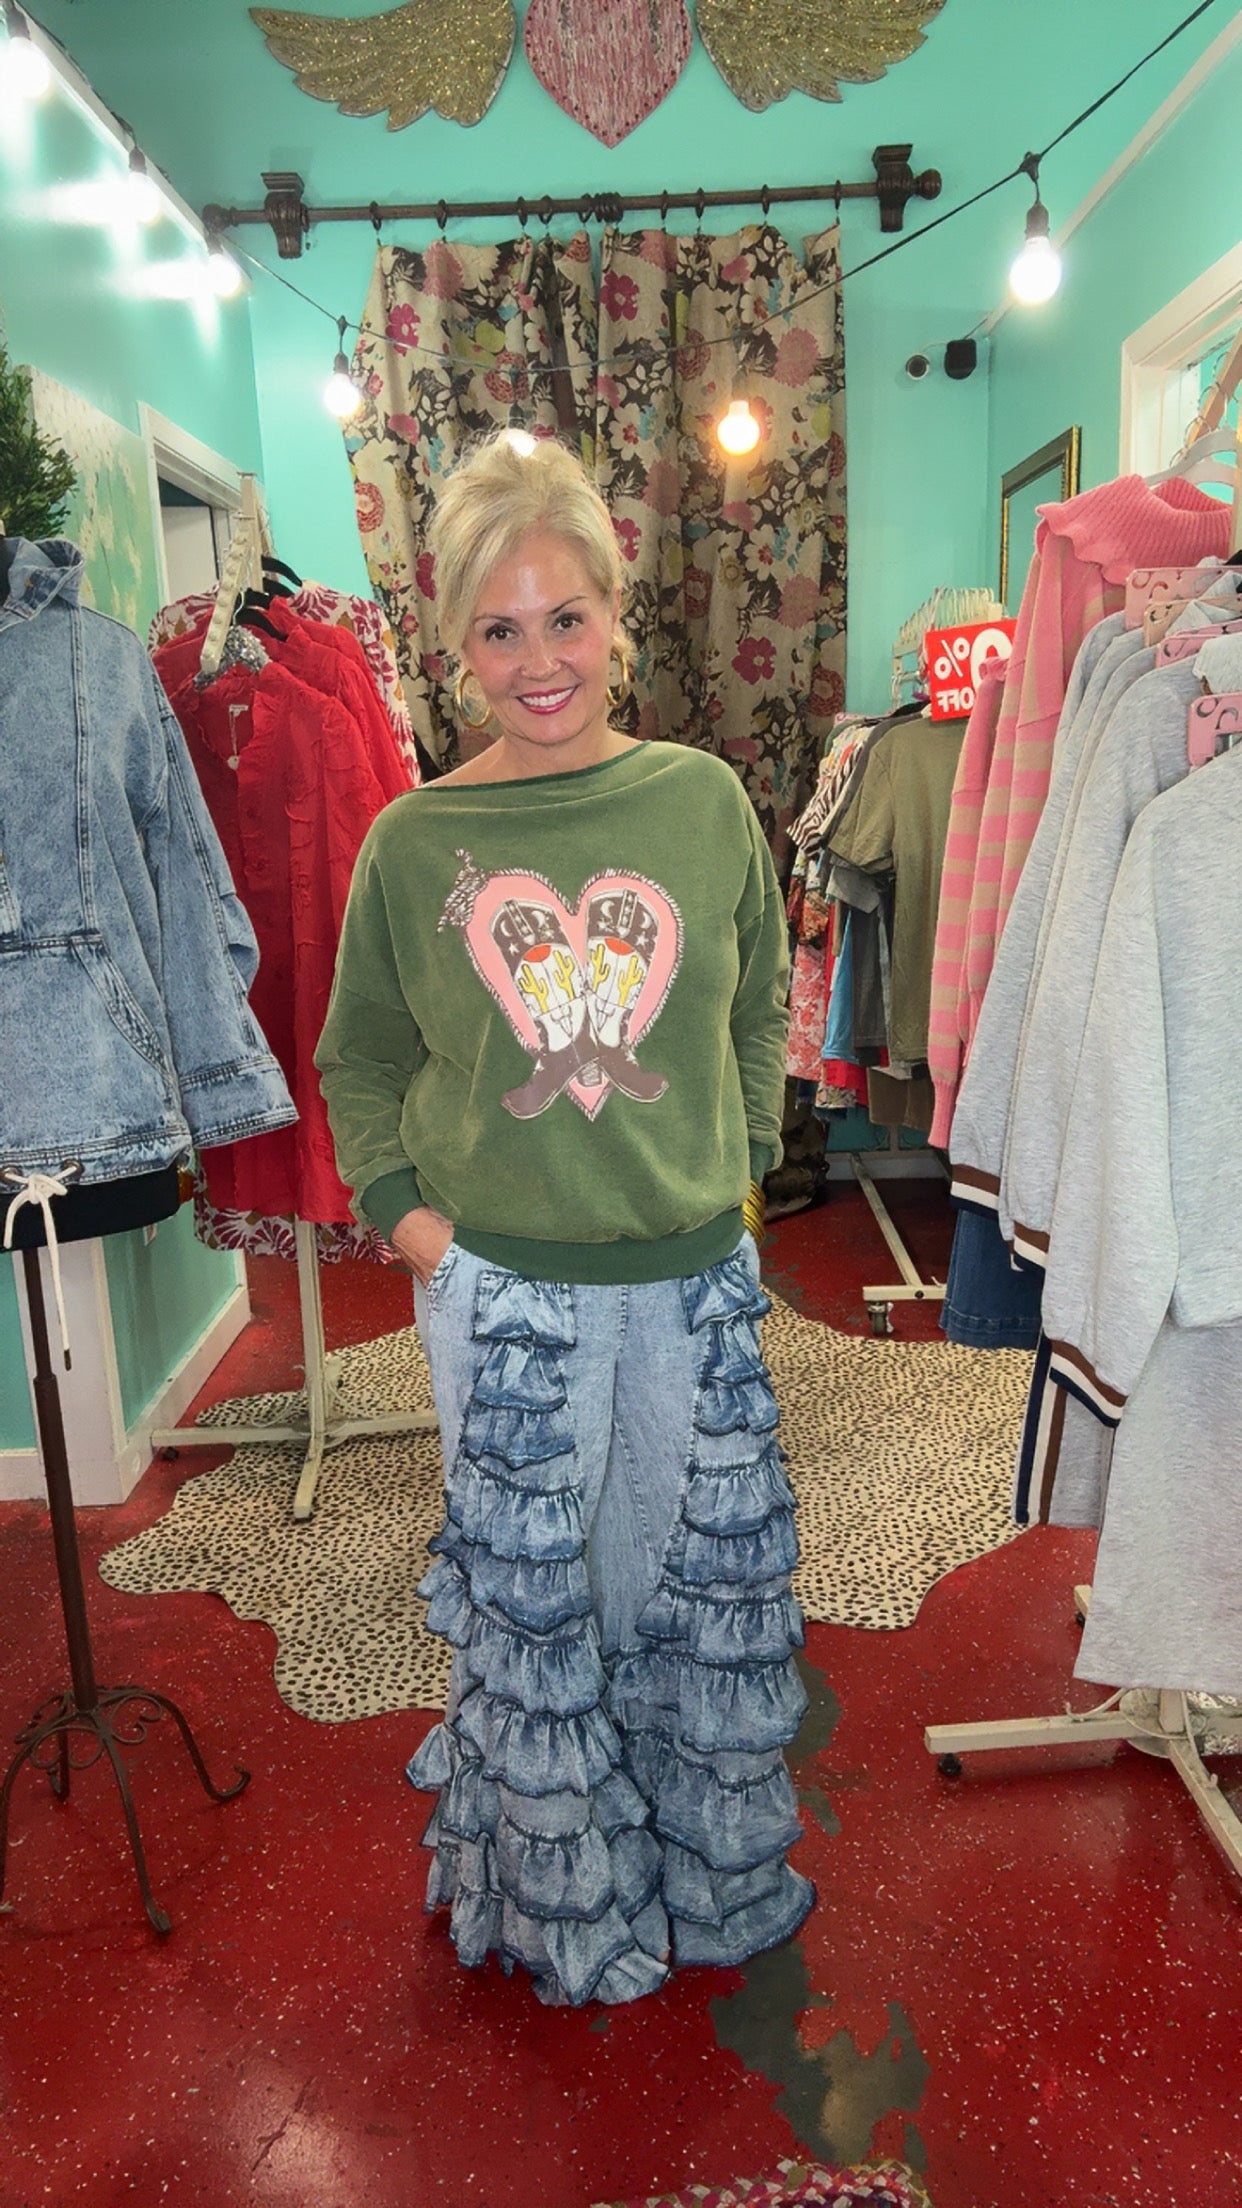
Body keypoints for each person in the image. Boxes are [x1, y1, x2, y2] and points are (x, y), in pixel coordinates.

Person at [316, 429, 813, 2007]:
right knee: (542, 1610)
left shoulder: (702, 800)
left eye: (566, 618)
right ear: (456, 650)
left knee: (686, 1586)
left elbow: (756, 1001)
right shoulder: (411, 842)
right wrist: (416, 1231)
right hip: (500, 1294)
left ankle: (702, 1876)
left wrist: (741, 1156)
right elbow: (358, 1058)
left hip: (691, 1279)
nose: (539, 662)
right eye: (499, 629)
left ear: (615, 615)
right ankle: (558, 1902)